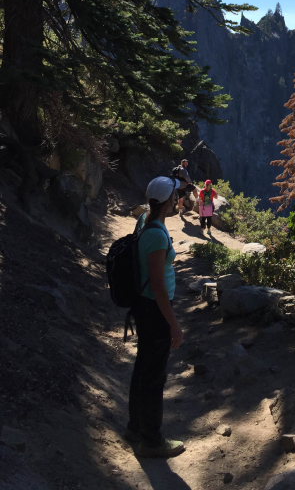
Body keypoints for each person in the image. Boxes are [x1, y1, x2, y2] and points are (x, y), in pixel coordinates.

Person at [125, 176, 186, 458]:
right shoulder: (156, 235)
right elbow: (159, 285)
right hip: (154, 309)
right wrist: (174, 325)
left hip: (144, 305)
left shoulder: (145, 221)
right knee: (154, 376)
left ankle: (135, 428)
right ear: (167, 202)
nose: (178, 200)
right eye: (175, 197)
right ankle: (152, 441)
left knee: (143, 368)